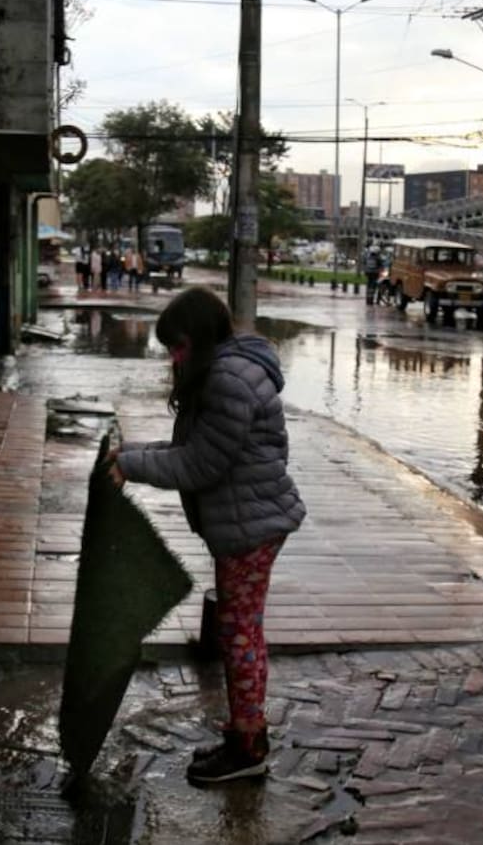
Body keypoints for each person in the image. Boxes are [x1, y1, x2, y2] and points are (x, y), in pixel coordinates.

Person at [108, 287, 306, 785]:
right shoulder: (226, 369)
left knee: (238, 634)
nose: (174, 357)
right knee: (244, 630)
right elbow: (195, 447)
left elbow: (201, 463)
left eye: (177, 345)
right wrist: (128, 452)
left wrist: (130, 465)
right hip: (250, 519)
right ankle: (247, 731)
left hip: (250, 525)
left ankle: (246, 749)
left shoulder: (227, 381)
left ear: (198, 336)